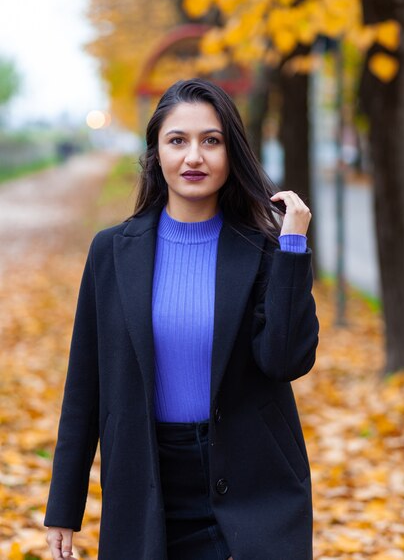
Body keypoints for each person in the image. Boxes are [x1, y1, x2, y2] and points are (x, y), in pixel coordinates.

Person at [44, 78, 319, 560]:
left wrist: (292, 247)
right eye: (178, 141)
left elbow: (285, 360)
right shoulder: (111, 252)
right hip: (146, 485)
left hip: (255, 488)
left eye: (211, 141)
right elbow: (84, 384)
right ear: (156, 154)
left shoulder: (263, 249)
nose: (194, 157)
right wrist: (64, 506)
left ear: (231, 153)